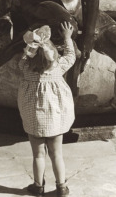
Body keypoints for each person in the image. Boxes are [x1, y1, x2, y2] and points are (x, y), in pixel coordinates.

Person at [18, 21, 75, 196]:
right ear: (54, 55)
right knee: (57, 154)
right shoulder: (59, 68)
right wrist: (67, 37)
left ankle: (38, 186)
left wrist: (32, 46)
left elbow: (24, 58)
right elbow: (71, 55)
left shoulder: (26, 69)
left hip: (34, 118)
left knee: (38, 155)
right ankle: (61, 187)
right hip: (55, 119)